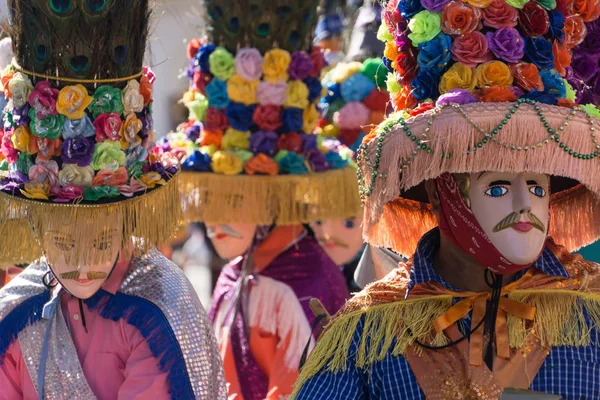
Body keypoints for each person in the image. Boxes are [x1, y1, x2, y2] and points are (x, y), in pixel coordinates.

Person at [292, 0, 600, 398]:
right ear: (442, 192)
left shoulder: (589, 312)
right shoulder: (367, 334)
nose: (526, 204)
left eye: (538, 187)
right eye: (498, 187)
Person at [0, 1, 226, 398]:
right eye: (65, 243)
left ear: (125, 226)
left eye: (102, 242)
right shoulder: (16, 314)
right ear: (37, 230)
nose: (83, 267)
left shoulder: (157, 306)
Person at [160, 0, 363, 397]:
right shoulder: (236, 271)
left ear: (270, 196)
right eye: (211, 200)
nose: (213, 220)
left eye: (232, 200)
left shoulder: (306, 282)